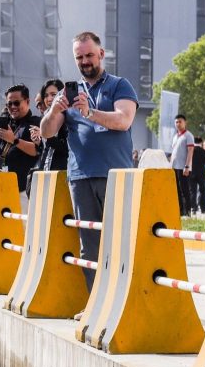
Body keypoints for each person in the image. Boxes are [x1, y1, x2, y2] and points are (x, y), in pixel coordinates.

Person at [40, 30, 138, 292]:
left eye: (90, 55)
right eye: (79, 57)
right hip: (80, 178)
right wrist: (54, 110)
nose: (85, 61)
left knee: (119, 242)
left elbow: (123, 120)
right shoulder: (68, 93)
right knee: (90, 246)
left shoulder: (120, 85)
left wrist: (89, 112)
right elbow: (47, 132)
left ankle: (120, 301)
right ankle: (95, 303)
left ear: (101, 54)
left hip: (116, 176)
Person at [0, 84, 41, 206]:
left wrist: (14, 140)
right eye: (9, 104)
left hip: (23, 187)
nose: (13, 107)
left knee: (23, 223)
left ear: (27, 101)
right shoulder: (3, 122)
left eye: (16, 103)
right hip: (0, 184)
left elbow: (36, 150)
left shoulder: (35, 122)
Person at [35, 79, 69, 172]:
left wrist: (46, 135)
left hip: (62, 171)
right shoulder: (45, 116)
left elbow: (67, 148)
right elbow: (44, 150)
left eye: (53, 94)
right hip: (46, 169)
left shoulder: (68, 115)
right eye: (45, 95)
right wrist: (38, 141)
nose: (49, 99)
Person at [169, 114, 195, 216]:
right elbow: (173, 152)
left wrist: (187, 166)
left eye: (180, 121)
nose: (178, 124)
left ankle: (187, 211)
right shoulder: (175, 136)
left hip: (184, 167)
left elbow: (190, 151)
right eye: (176, 122)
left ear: (185, 122)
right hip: (174, 167)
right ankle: (180, 211)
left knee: (185, 190)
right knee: (177, 190)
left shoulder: (188, 135)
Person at [192, 136, 205, 214]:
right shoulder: (203, 151)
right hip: (201, 173)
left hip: (192, 173)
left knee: (193, 191)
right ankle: (203, 209)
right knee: (202, 191)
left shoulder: (191, 150)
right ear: (201, 142)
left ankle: (193, 208)